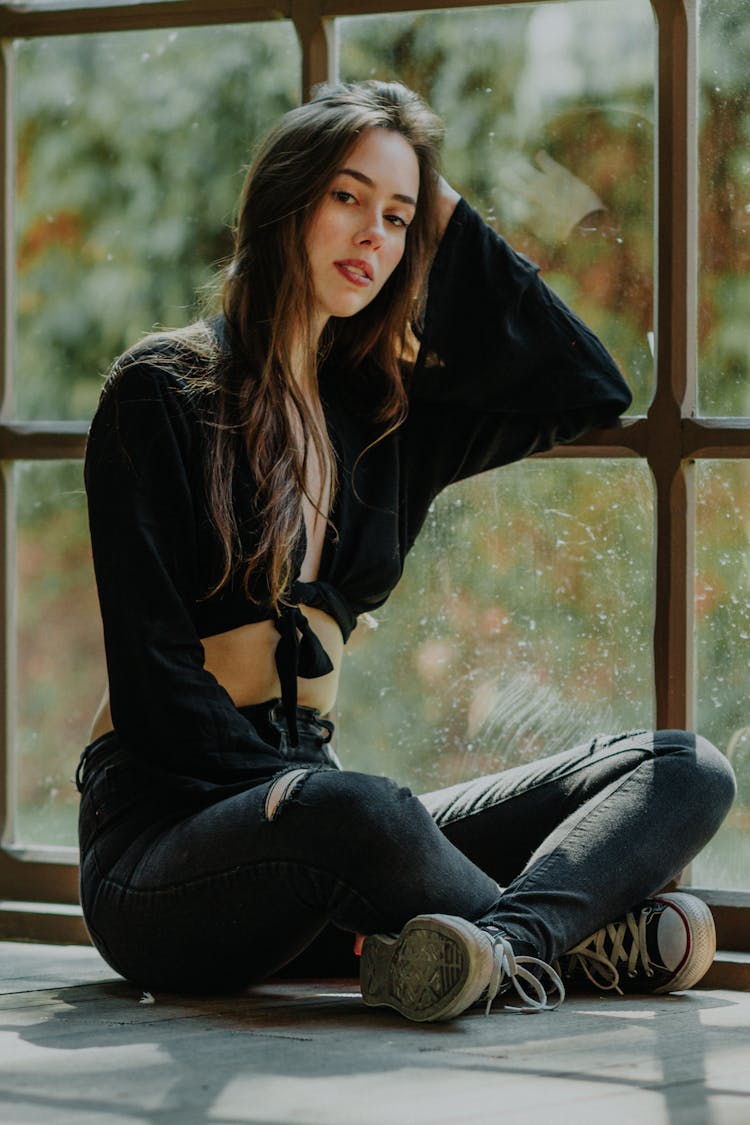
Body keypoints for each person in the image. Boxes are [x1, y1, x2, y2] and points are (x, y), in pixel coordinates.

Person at [77, 80, 736, 1023]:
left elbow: (587, 384)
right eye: (348, 197)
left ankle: (501, 948)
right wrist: (320, 818)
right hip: (164, 847)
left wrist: (443, 204)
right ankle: (575, 948)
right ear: (284, 201)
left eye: (398, 216)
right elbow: (152, 687)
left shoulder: (386, 420)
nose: (373, 235)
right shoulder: (160, 391)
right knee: (365, 810)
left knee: (685, 766)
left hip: (322, 830)